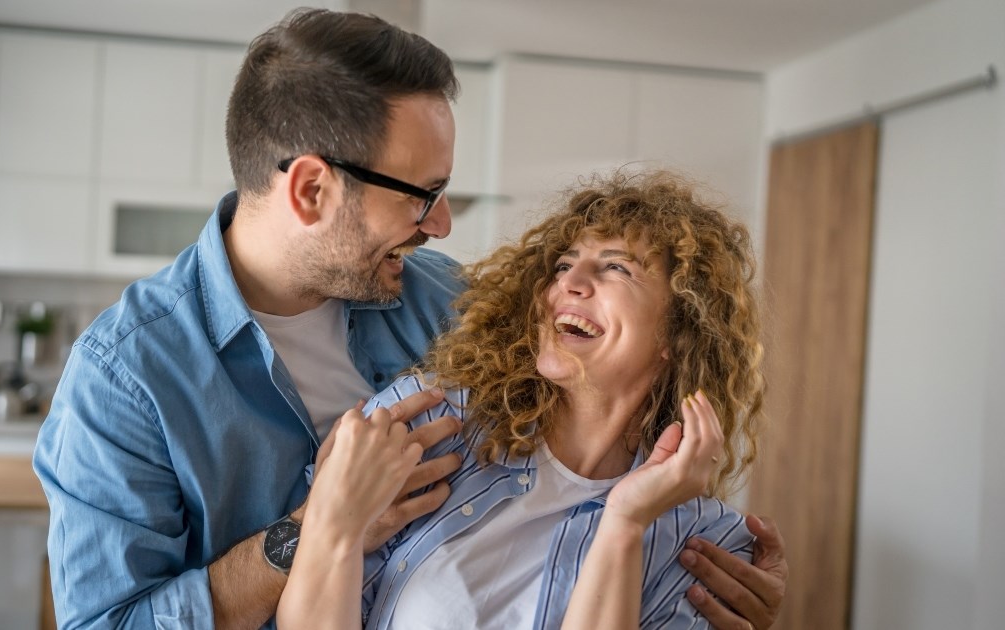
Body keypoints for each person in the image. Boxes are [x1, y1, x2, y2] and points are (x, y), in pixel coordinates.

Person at [34, 8, 786, 629]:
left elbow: (607, 424)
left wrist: (713, 575)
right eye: (421, 195)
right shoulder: (127, 378)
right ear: (310, 192)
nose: (444, 223)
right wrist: (310, 530)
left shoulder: (452, 308)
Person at [279, 170, 785, 629]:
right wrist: (333, 519)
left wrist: (625, 524)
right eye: (564, 265)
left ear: (680, 331)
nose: (570, 283)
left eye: (616, 269)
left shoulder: (703, 545)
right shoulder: (428, 419)